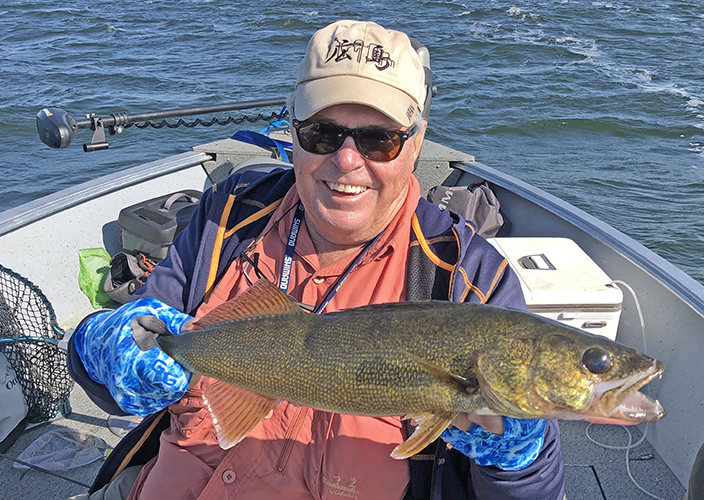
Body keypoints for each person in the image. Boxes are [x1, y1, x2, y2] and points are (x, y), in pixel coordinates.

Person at [68, 19, 565, 500]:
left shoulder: (466, 276)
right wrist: (97, 351)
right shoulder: (230, 216)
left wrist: (519, 457)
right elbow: (133, 369)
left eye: (379, 139)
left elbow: (531, 493)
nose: (347, 160)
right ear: (292, 133)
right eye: (323, 134)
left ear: (414, 144)